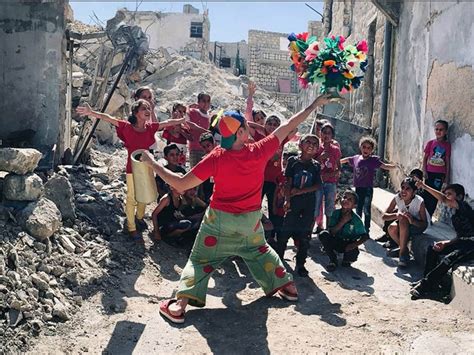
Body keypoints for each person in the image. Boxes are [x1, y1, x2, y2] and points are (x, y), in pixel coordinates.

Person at [140, 94, 330, 324]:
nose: (249, 128)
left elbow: (180, 185)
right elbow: (289, 125)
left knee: (200, 260)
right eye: (245, 126)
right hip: (249, 221)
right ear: (240, 133)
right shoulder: (259, 150)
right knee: (260, 250)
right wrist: (313, 105)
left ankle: (179, 306)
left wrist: (151, 162)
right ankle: (287, 286)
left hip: (219, 221)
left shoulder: (217, 157)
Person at [76, 100, 184, 241]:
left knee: (144, 198)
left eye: (149, 108)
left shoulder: (151, 127)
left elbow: (167, 123)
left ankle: (139, 218)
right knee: (132, 197)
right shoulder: (127, 127)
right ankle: (131, 228)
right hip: (132, 169)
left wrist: (182, 119)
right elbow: (109, 118)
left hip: (147, 168)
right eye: (144, 108)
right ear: (135, 112)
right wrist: (91, 113)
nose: (148, 110)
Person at [410, 181, 474, 300]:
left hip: (471, 246)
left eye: (450, 194)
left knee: (448, 259)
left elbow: (443, 199)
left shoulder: (464, 207)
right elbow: (461, 236)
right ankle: (429, 283)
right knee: (433, 249)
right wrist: (446, 243)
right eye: (446, 194)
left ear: (459, 197)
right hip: (462, 243)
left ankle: (424, 287)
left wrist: (424, 186)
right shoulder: (455, 215)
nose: (447, 196)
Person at [276, 134, 322, 277]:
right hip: (293, 203)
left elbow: (318, 185)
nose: (311, 145)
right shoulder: (293, 161)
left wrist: (301, 191)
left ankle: (301, 264)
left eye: (315, 143)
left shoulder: (316, 165)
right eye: (308, 141)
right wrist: (287, 199)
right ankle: (278, 261)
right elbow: (288, 181)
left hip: (308, 204)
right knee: (284, 232)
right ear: (300, 145)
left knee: (305, 235)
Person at [340, 136, 396, 235]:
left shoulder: (373, 160)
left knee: (366, 210)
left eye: (369, 148)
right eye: (364, 147)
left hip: (367, 189)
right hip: (358, 189)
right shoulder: (356, 158)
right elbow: (346, 160)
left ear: (372, 150)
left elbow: (385, 166)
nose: (366, 149)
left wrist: (395, 166)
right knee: (358, 209)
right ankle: (357, 229)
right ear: (360, 147)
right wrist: (336, 162)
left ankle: (366, 230)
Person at [382, 178, 429, 267]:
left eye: (408, 189)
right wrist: (396, 215)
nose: (404, 191)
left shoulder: (419, 201)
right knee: (391, 228)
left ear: (414, 192)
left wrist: (412, 221)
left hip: (416, 226)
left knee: (403, 220)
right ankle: (404, 251)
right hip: (403, 225)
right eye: (402, 187)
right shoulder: (397, 198)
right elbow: (384, 216)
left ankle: (402, 255)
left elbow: (424, 224)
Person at [319, 190, 369, 271]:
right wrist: (342, 222)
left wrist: (354, 245)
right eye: (344, 197)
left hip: (349, 243)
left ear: (354, 205)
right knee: (323, 234)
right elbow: (332, 232)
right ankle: (333, 259)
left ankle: (346, 259)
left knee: (347, 261)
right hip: (337, 240)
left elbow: (365, 236)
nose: (346, 200)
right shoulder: (335, 213)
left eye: (350, 199)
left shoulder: (356, 219)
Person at [314, 123, 341, 229]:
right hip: (317, 182)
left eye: (329, 133)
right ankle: (318, 226)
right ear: (320, 134)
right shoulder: (316, 148)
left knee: (330, 206)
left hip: (330, 182)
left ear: (332, 136)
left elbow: (339, 167)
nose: (326, 135)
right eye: (324, 132)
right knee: (316, 205)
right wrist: (320, 158)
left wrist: (332, 174)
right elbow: (311, 163)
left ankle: (328, 228)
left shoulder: (335, 149)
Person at [422, 120, 451, 218]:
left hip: (439, 175)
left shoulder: (447, 145)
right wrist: (424, 170)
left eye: (441, 129)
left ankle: (429, 216)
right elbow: (425, 158)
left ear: (446, 131)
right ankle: (423, 216)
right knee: (426, 194)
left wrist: (446, 177)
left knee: (435, 196)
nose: (438, 131)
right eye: (436, 129)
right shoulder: (430, 143)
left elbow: (447, 161)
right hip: (429, 173)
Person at [187, 93, 212, 167]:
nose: (206, 104)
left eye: (208, 101)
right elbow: (187, 122)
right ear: (198, 102)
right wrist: (188, 106)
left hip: (206, 150)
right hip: (195, 149)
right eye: (203, 101)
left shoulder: (209, 116)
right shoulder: (193, 112)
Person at [198, 132, 216, 203]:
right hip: (207, 189)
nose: (206, 149)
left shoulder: (220, 157)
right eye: (204, 147)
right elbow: (201, 178)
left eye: (208, 145)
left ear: (213, 144)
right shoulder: (203, 160)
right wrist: (201, 191)